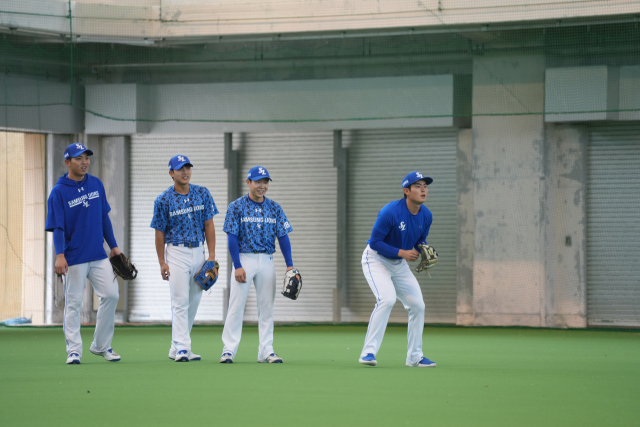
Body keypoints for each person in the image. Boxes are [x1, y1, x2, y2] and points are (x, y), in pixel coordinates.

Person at [45, 142, 122, 365]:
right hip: (74, 257)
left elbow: (104, 217)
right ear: (67, 162)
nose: (84, 162)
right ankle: (74, 350)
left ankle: (101, 345)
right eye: (78, 158)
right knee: (74, 304)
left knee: (111, 295)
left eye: (86, 157)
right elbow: (58, 227)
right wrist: (60, 255)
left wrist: (114, 246)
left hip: (98, 254)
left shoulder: (96, 184)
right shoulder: (58, 192)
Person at [358, 171, 437, 368]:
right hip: (376, 260)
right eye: (418, 186)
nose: (423, 190)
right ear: (406, 191)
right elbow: (375, 242)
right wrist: (403, 252)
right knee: (387, 299)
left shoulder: (426, 215)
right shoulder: (390, 212)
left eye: (425, 186)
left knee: (418, 305)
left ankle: (414, 356)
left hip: (398, 264)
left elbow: (420, 240)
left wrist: (423, 249)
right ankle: (368, 352)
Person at [219, 166, 295, 364]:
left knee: (266, 307)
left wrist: (289, 265)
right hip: (244, 258)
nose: (262, 186)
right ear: (248, 183)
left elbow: (283, 236)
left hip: (267, 259)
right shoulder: (236, 206)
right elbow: (232, 238)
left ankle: (266, 350)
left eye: (265, 182)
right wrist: (237, 265)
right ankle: (228, 349)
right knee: (236, 305)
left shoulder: (275, 207)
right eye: (258, 181)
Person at [151, 155, 218, 362]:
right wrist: (162, 261)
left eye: (187, 167)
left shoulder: (202, 193)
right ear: (171, 173)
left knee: (194, 301)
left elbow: (209, 225)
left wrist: (212, 256)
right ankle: (182, 347)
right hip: (177, 251)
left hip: (199, 251)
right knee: (179, 300)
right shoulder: (163, 199)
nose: (185, 172)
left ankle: (177, 346)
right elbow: (159, 233)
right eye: (180, 169)